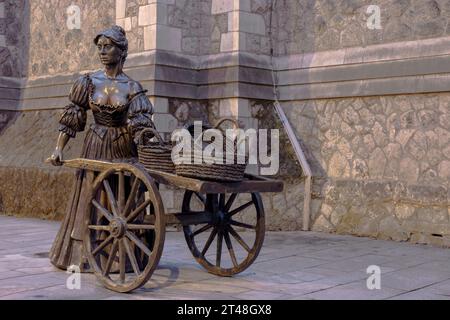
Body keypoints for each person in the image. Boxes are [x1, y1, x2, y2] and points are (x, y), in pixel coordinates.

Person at [48, 25, 155, 271]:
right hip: (95, 145)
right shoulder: (87, 82)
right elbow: (72, 117)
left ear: (122, 51)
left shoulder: (132, 87)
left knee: (120, 197)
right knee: (90, 195)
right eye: (100, 47)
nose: (102, 52)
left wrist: (147, 141)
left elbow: (140, 123)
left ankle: (120, 259)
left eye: (108, 47)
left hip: (122, 147)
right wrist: (58, 148)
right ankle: (83, 255)